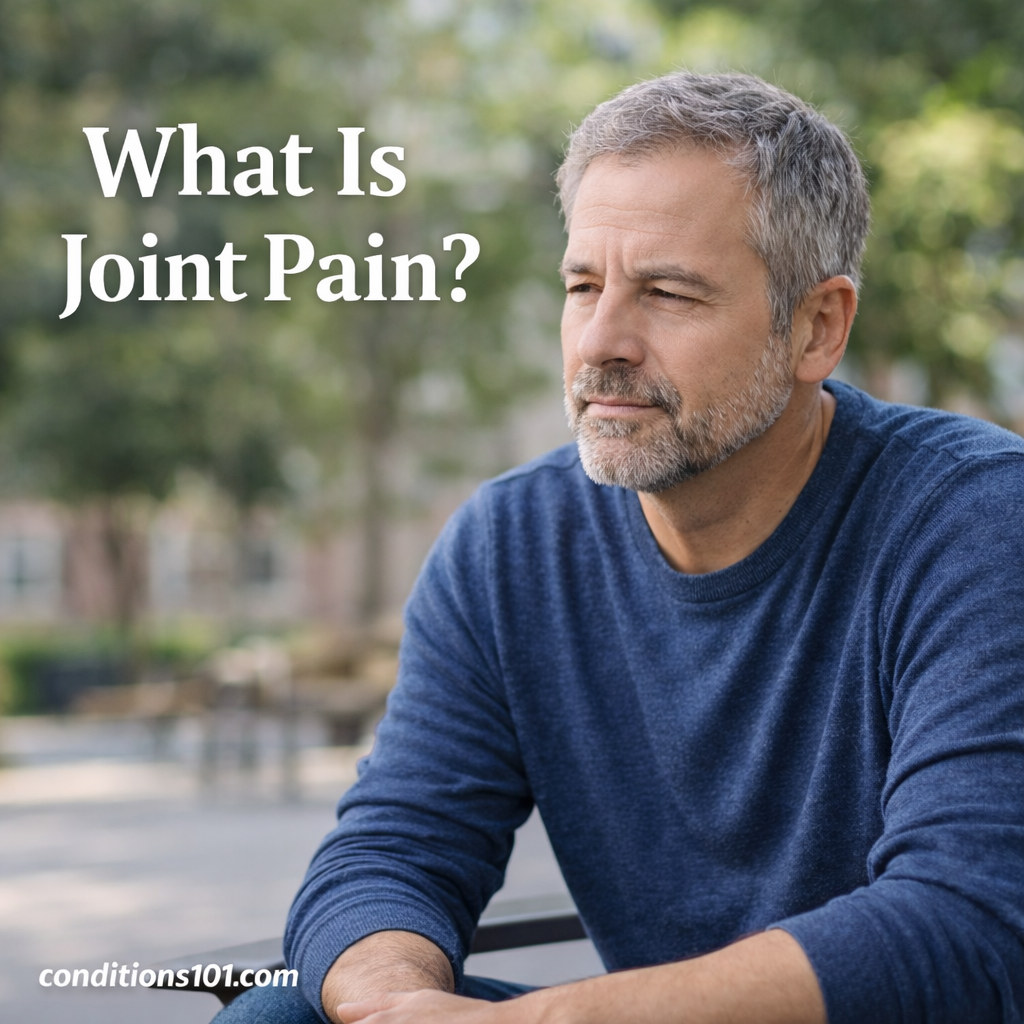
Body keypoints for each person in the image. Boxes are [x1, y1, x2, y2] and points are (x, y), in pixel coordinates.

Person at [215, 72, 1024, 1024]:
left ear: (817, 327)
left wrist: (549, 1020)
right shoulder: (508, 546)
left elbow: (971, 924)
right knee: (285, 1015)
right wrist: (393, 1004)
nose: (601, 341)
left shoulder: (975, 520)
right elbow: (394, 848)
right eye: (583, 285)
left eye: (668, 293)